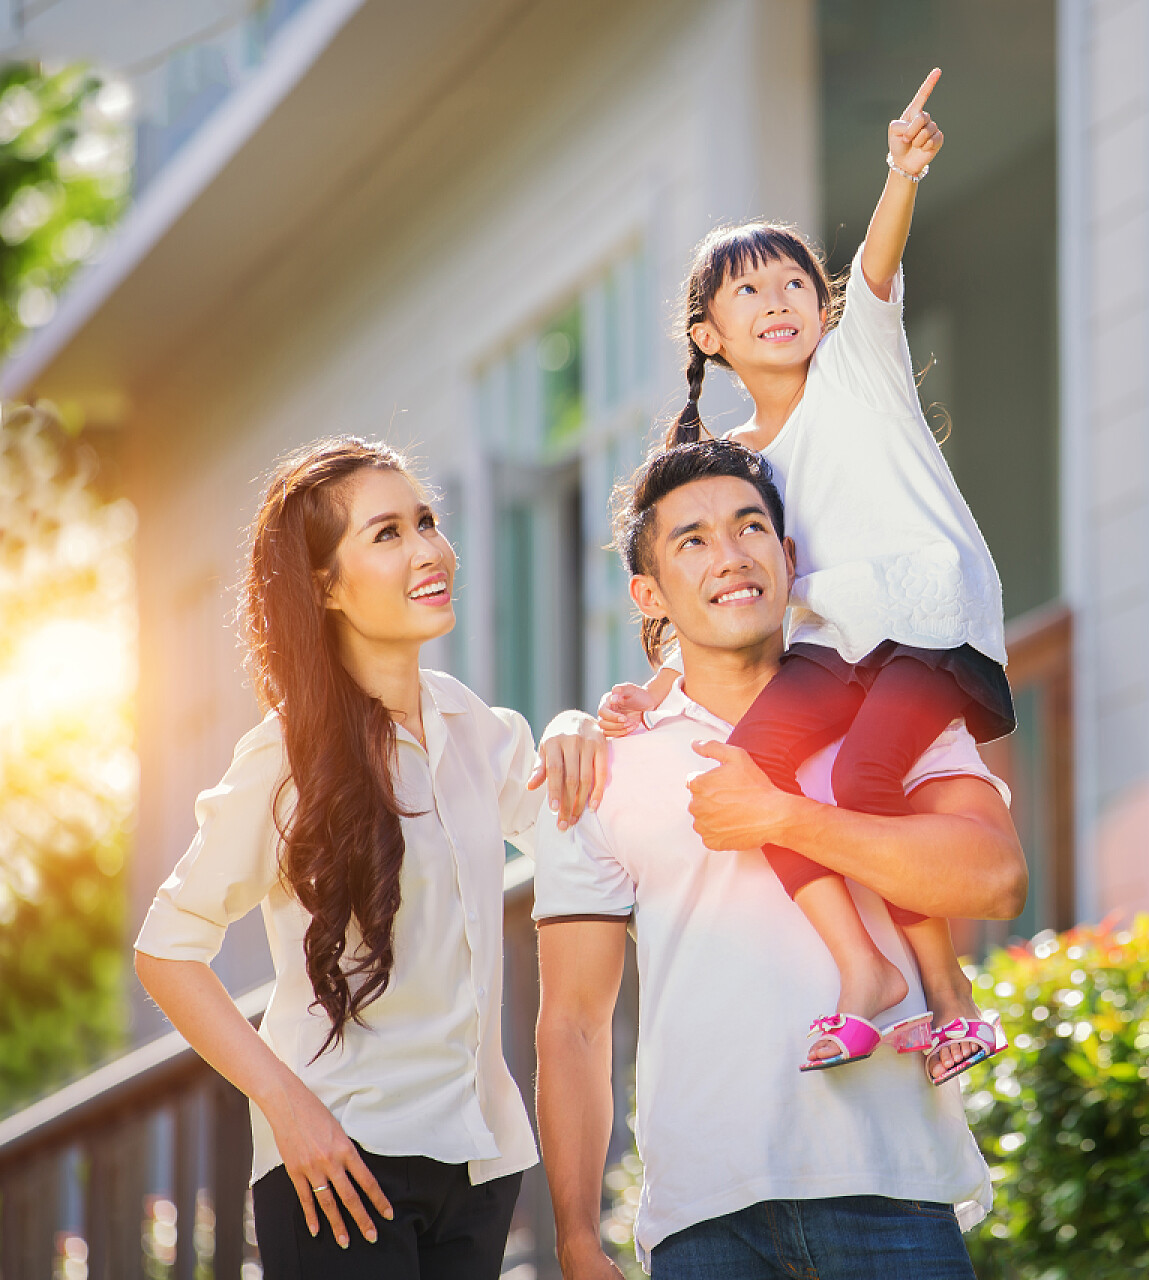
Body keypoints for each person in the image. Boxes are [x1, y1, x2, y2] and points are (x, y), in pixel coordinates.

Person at [600, 67, 1010, 1081]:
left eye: (794, 283)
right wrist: (651, 691)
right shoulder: (737, 461)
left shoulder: (856, 366)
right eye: (748, 291)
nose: (779, 301)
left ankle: (948, 994)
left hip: (927, 626)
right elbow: (738, 581)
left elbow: (874, 267)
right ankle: (859, 968)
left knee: (867, 776)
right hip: (840, 642)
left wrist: (898, 172)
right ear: (711, 335)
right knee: (749, 767)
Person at [534, 438, 1026, 1278]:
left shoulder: (896, 713)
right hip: (703, 1220)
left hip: (893, 1190)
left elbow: (996, 878)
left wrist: (788, 817)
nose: (730, 556)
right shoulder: (601, 767)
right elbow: (575, 1023)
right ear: (646, 594)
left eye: (750, 526)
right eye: (692, 539)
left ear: (789, 556)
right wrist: (577, 1237)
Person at [133, 437, 597, 1275]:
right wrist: (287, 1108)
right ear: (325, 585)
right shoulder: (285, 757)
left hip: (480, 1166)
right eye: (387, 534)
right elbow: (168, 948)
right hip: (340, 1168)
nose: (429, 550)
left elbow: (585, 821)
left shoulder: (474, 729)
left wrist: (577, 726)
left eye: (427, 521)